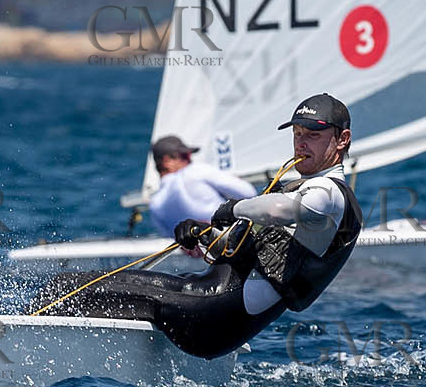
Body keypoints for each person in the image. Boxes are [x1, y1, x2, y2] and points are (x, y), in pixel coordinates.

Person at [30, 94, 362, 359]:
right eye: (298, 134)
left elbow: (279, 210)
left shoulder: (329, 194)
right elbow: (236, 251)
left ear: (342, 140)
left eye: (314, 136)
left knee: (65, 286)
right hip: (210, 306)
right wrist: (200, 233)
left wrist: (232, 208)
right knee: (92, 289)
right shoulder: (304, 189)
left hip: (210, 313)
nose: (301, 144)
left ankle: (14, 335)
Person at [146, 135, 257, 238]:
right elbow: (249, 193)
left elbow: (170, 237)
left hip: (205, 255)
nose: (190, 159)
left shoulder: (155, 205)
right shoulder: (196, 171)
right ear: (166, 161)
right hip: (235, 241)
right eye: (185, 156)